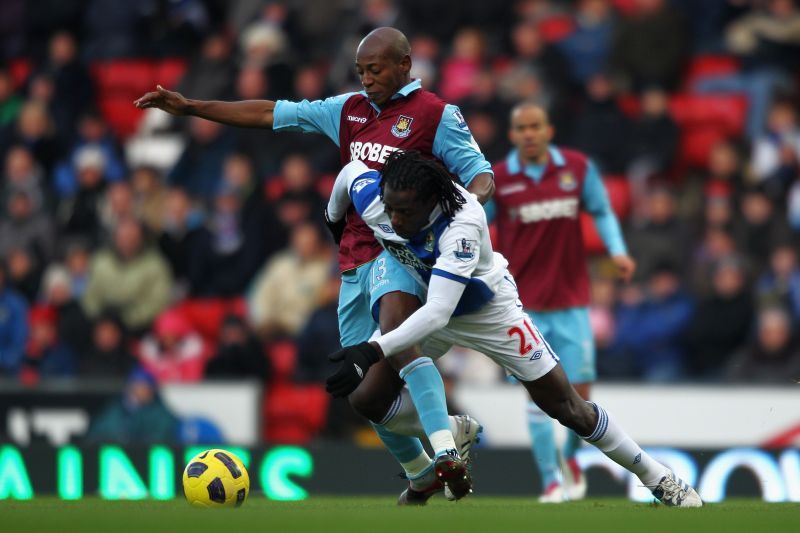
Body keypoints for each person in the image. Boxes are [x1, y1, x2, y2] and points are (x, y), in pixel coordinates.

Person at [135, 26, 494, 503]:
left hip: (402, 253)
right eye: (361, 71)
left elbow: (481, 176)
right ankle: (421, 468)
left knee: (398, 341)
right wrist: (193, 107)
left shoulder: (436, 115)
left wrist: (458, 224)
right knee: (360, 387)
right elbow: (268, 111)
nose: (367, 79)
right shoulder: (346, 111)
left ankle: (446, 449)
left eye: (376, 69)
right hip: (351, 262)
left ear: (404, 66)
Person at [324, 149, 702, 508]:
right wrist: (334, 221)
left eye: (404, 212)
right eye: (389, 209)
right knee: (366, 397)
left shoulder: (463, 222)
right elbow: (349, 174)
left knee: (567, 407)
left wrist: (373, 349)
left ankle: (658, 478)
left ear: (430, 203)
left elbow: (441, 311)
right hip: (429, 305)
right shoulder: (377, 198)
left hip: (487, 313)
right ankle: (453, 431)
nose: (394, 220)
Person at [488, 102, 635, 502]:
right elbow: (478, 224)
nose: (530, 134)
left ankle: (570, 457)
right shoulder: (499, 179)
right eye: (522, 128)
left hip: (572, 303)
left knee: (581, 396)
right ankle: (550, 480)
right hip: (523, 308)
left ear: (549, 129)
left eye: (536, 126)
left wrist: (617, 251)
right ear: (513, 134)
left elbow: (602, 211)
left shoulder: (576, 168)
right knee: (537, 394)